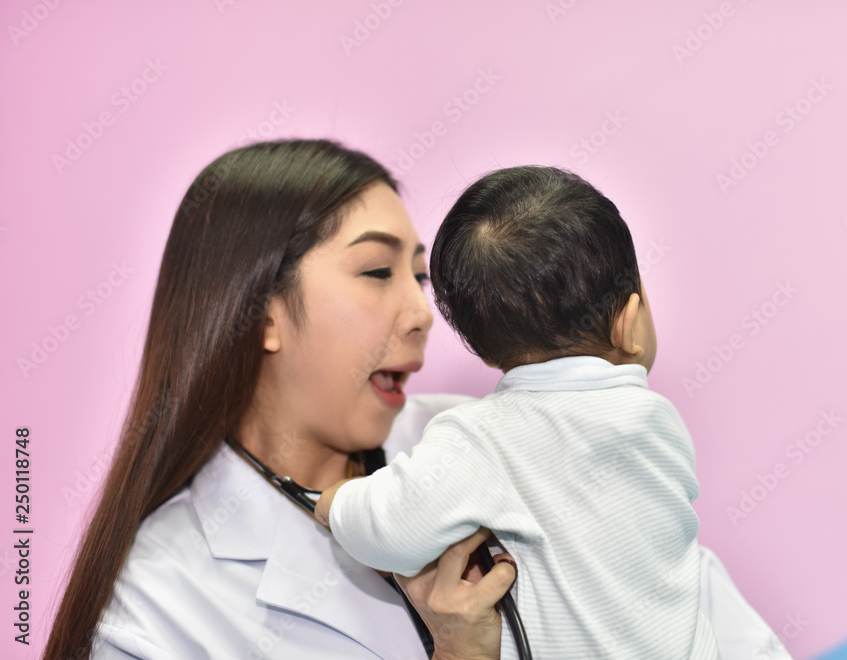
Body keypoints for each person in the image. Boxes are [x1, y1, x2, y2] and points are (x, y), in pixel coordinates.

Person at [44, 140, 789, 660]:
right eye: (377, 272)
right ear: (259, 312)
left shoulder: (504, 436)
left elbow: (684, 609)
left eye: (423, 278)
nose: (420, 313)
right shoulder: (154, 607)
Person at [316, 166, 720, 659]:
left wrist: (338, 503)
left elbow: (392, 530)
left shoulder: (478, 438)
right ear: (629, 323)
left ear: (485, 352)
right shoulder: (660, 422)